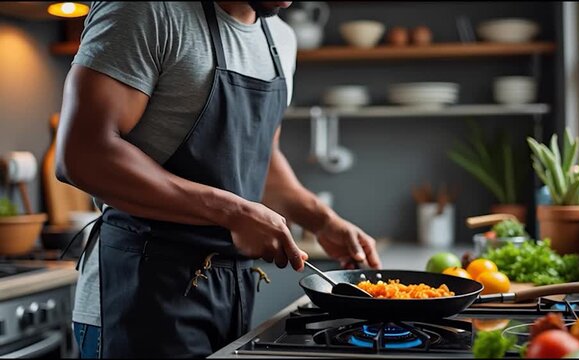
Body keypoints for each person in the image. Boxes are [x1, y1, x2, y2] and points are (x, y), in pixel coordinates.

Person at [56, 1, 382, 358]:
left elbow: (259, 157)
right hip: (138, 297)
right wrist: (233, 213)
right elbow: (83, 155)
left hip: (233, 297)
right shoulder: (146, 10)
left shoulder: (281, 39)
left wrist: (322, 220)